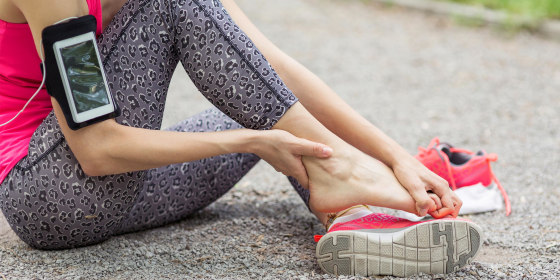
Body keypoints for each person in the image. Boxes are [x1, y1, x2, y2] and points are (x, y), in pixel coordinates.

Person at [0, 0, 467, 276]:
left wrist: (394, 155)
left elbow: (271, 73)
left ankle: (352, 213)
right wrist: (250, 140)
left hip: (119, 189)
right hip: (50, 198)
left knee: (261, 109)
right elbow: (97, 150)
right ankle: (344, 175)